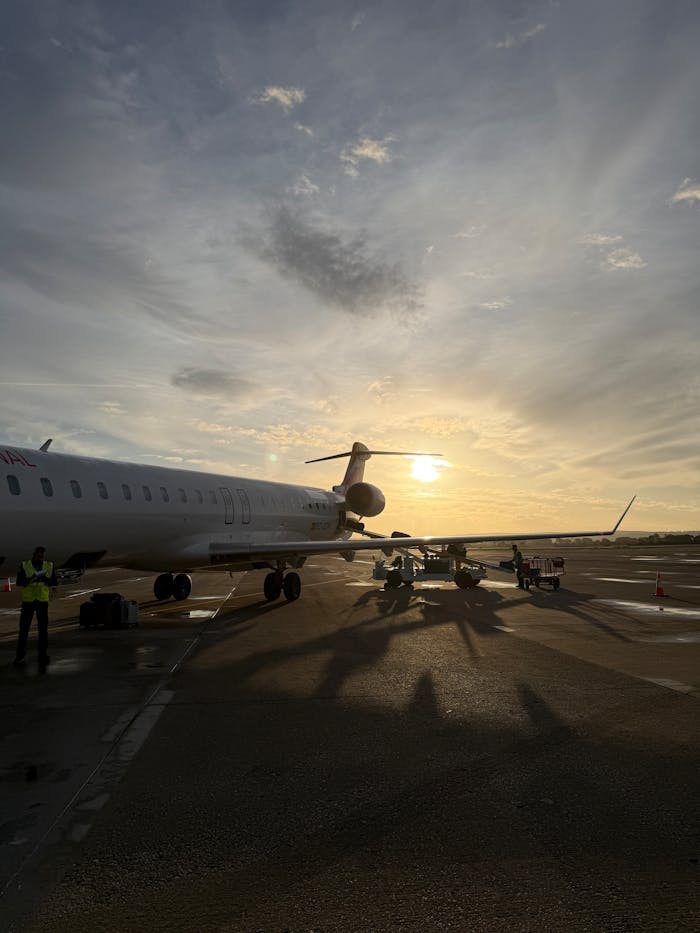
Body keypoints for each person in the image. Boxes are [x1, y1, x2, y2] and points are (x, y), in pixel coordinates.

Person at [13, 546, 57, 671]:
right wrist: (31, 578)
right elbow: (19, 582)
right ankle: (20, 656)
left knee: (43, 630)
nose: (41, 558)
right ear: (34, 555)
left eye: (42, 556)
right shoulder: (25, 565)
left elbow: (54, 582)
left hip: (42, 602)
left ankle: (42, 655)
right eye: (39, 556)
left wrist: (44, 578)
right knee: (24, 630)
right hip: (28, 602)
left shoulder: (49, 565)